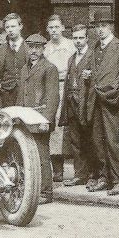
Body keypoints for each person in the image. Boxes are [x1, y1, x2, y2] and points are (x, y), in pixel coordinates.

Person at [85, 12, 119, 196]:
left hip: (111, 102)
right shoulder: (96, 48)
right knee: (98, 140)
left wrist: (116, 92)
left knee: (112, 141)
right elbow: (96, 71)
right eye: (97, 26)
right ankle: (104, 178)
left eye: (103, 26)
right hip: (95, 100)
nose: (100, 30)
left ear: (111, 27)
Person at [18, 33, 60, 203]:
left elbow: (52, 97)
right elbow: (21, 94)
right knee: (27, 156)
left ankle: (46, 192)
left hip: (39, 120)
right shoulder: (24, 69)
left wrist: (46, 120)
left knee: (42, 156)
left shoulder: (49, 68)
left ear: (43, 49)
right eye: (31, 47)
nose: (33, 51)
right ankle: (31, 190)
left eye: (37, 47)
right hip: (24, 120)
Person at [60, 22, 99, 189]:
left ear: (87, 38)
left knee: (90, 140)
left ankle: (93, 174)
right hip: (72, 104)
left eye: (81, 38)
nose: (77, 41)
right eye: (75, 38)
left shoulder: (93, 56)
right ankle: (80, 174)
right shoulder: (71, 58)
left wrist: (91, 76)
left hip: (86, 104)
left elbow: (98, 77)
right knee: (75, 141)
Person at [42, 14, 75, 182]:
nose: (54, 30)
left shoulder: (71, 45)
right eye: (51, 28)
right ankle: (57, 170)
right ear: (47, 30)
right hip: (52, 88)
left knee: (72, 127)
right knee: (54, 129)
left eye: (56, 27)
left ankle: (80, 171)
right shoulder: (45, 48)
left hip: (70, 88)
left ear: (62, 28)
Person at [0, 13, 29, 104]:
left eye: (13, 26)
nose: (10, 30)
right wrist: (0, 85)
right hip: (7, 95)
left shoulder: (29, 48)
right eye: (7, 27)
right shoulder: (0, 50)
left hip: (26, 94)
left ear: (20, 26)